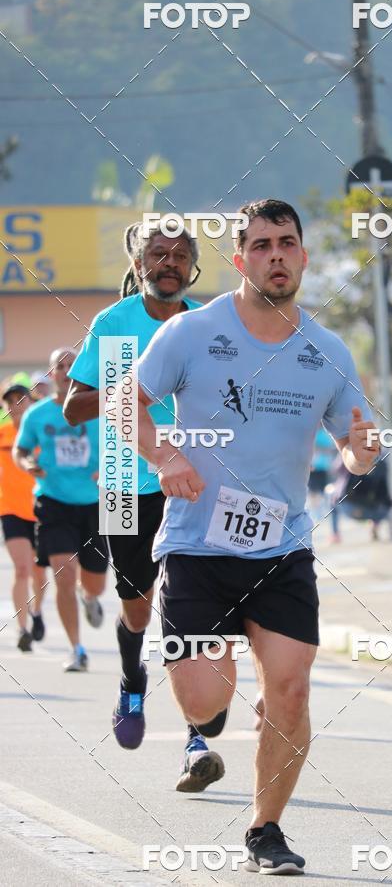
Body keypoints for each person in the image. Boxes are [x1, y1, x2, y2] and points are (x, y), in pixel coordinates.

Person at [131, 199, 379, 874]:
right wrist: (166, 458)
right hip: (195, 546)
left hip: (281, 547)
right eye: (262, 244)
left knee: (292, 691)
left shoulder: (327, 353)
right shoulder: (191, 333)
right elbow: (132, 402)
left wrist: (362, 452)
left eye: (288, 243)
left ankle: (264, 831)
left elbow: (354, 451)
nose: (276, 254)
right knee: (206, 701)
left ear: (302, 256)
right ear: (239, 259)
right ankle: (205, 712)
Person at [63, 222, 202, 748]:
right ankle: (132, 682)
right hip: (122, 481)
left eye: (180, 255)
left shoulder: (206, 324)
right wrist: (130, 390)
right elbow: (74, 407)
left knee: (187, 604)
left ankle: (197, 731)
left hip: (189, 479)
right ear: (139, 264)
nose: (170, 263)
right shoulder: (113, 323)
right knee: (138, 606)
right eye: (158, 254)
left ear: (192, 267)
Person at [13, 348, 107, 671]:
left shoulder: (97, 409)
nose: (66, 371)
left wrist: (107, 469)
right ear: (50, 374)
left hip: (94, 503)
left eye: (71, 365)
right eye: (60, 366)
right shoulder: (37, 415)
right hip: (53, 502)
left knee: (95, 583)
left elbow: (125, 443)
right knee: (63, 575)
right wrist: (28, 463)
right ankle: (77, 649)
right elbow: (21, 449)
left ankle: (90, 597)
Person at [0, 383, 48, 651]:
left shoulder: (42, 433)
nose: (14, 405)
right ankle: (22, 629)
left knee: (39, 573)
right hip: (9, 510)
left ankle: (37, 612)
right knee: (21, 569)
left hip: (41, 508)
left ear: (31, 403)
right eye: (10, 401)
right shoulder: (2, 433)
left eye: (20, 399)